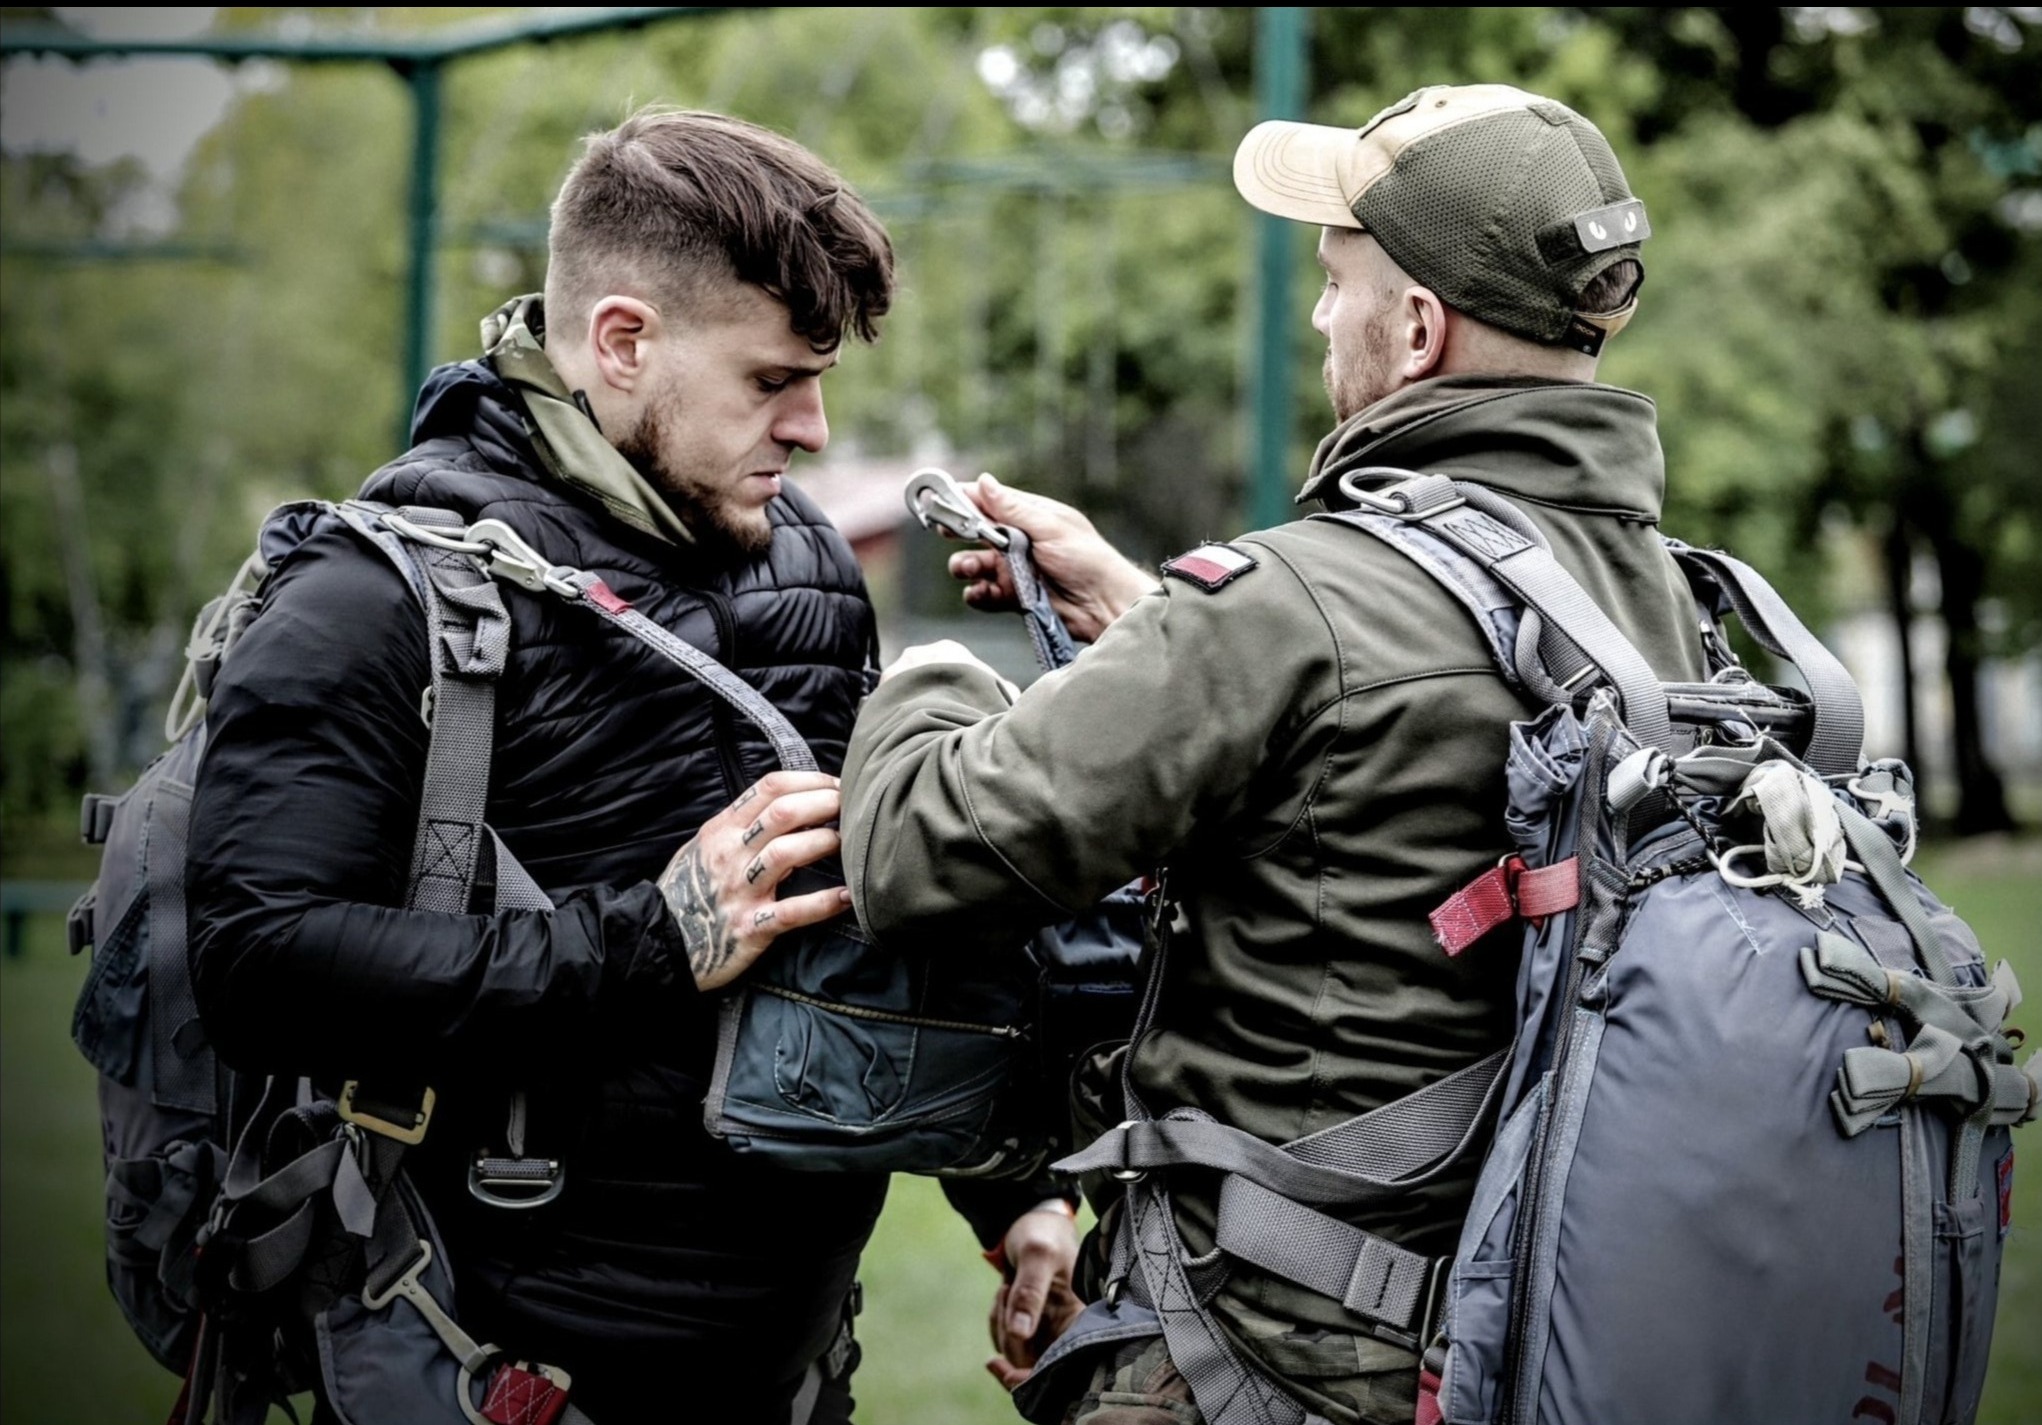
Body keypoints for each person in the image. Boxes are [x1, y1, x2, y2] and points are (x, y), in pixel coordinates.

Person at [186, 107, 1070, 1425]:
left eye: (819, 379)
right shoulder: (382, 592)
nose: (816, 429)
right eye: (772, 380)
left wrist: (1018, 1193)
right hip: (485, 1368)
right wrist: (650, 937)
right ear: (622, 340)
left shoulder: (811, 571)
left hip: (792, 1373)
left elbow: (859, 930)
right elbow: (256, 963)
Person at [838, 83, 1706, 1425]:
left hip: (1269, 1354)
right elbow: (1384, 741)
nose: (1318, 318)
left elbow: (919, 851)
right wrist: (1153, 625)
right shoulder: (1685, 618)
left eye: (1333, 281)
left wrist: (927, 673)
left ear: (1414, 328)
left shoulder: (1288, 603)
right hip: (1539, 1334)